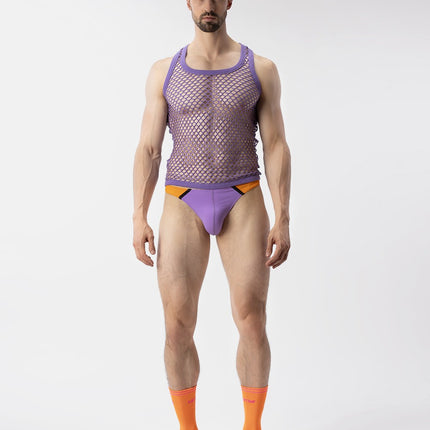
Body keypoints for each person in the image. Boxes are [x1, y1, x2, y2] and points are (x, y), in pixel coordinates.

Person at [132, 1, 291, 428]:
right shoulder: (164, 72)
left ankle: (252, 425)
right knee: (177, 325)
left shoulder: (261, 69)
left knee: (252, 319)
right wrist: (138, 216)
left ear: (229, 2)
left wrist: (283, 216)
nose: (208, 5)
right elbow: (149, 148)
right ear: (188, 2)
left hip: (243, 195)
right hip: (182, 199)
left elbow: (276, 144)